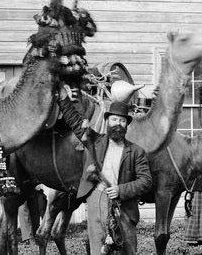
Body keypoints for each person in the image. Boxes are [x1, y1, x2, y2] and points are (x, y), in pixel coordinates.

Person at [59, 98, 152, 255]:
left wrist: (121, 190)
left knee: (126, 250)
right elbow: (74, 121)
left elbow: (146, 181)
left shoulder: (136, 151)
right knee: (98, 250)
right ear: (107, 121)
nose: (117, 123)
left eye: (122, 121)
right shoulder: (95, 141)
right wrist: (62, 98)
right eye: (114, 119)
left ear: (126, 125)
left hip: (124, 207)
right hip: (97, 202)